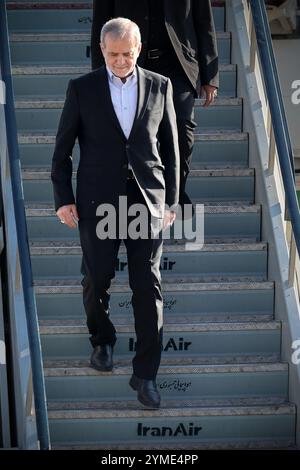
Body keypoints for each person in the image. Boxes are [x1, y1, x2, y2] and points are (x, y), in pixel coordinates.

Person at [51, 18, 180, 409]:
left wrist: (170, 201)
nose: (121, 61)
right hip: (97, 202)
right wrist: (63, 198)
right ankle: (102, 340)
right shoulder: (82, 88)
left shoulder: (160, 85)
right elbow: (61, 152)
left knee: (148, 285)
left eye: (127, 53)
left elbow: (173, 152)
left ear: (138, 48)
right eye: (113, 54)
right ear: (101, 50)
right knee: (97, 277)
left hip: (146, 201)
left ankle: (146, 375)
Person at [91, 0, 219, 211]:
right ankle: (141, 196)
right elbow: (101, 22)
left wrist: (210, 76)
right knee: (135, 133)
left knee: (182, 127)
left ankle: (175, 194)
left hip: (179, 64)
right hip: (133, 62)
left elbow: (204, 20)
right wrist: (99, 74)